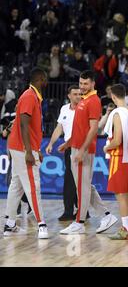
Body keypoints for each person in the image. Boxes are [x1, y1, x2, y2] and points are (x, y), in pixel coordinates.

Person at [58, 70, 118, 235]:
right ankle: (107, 216)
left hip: (83, 150)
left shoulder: (94, 101)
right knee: (85, 187)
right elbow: (79, 128)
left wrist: (82, 150)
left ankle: (79, 222)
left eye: (85, 84)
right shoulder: (83, 100)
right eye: (80, 83)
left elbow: (93, 129)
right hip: (75, 147)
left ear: (93, 84)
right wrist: (68, 143)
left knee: (82, 188)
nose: (82, 87)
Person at [3, 67, 49, 239]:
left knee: (16, 185)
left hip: (19, 147)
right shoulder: (29, 96)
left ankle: (9, 224)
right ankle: (42, 224)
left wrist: (36, 149)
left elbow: (29, 126)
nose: (47, 81)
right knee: (33, 186)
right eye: (45, 79)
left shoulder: (31, 96)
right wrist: (29, 151)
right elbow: (23, 124)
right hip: (23, 149)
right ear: (39, 80)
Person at [103, 84, 128, 240]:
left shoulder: (118, 113)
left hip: (119, 158)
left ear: (113, 96)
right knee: (127, 193)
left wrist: (107, 147)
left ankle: (125, 228)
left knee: (120, 194)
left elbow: (117, 139)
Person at [45, 85, 81, 221]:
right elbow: (59, 127)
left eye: (79, 94)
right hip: (68, 149)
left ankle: (71, 210)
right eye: (75, 94)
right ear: (69, 96)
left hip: (80, 148)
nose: (78, 96)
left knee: (74, 180)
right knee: (71, 179)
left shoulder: (84, 108)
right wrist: (50, 143)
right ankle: (78, 210)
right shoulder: (64, 109)